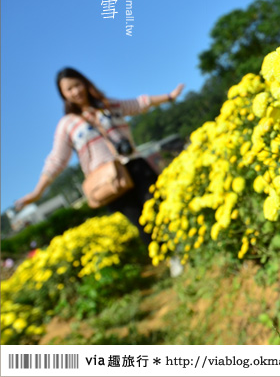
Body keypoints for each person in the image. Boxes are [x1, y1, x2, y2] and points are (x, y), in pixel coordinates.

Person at [15, 67, 184, 276]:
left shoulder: (107, 106)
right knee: (140, 221)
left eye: (77, 85)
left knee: (158, 205)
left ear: (85, 83)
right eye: (69, 89)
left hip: (134, 164)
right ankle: (171, 259)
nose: (75, 91)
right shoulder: (67, 125)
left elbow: (139, 103)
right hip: (108, 179)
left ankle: (183, 243)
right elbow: (57, 159)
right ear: (63, 95)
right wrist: (38, 191)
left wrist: (170, 97)